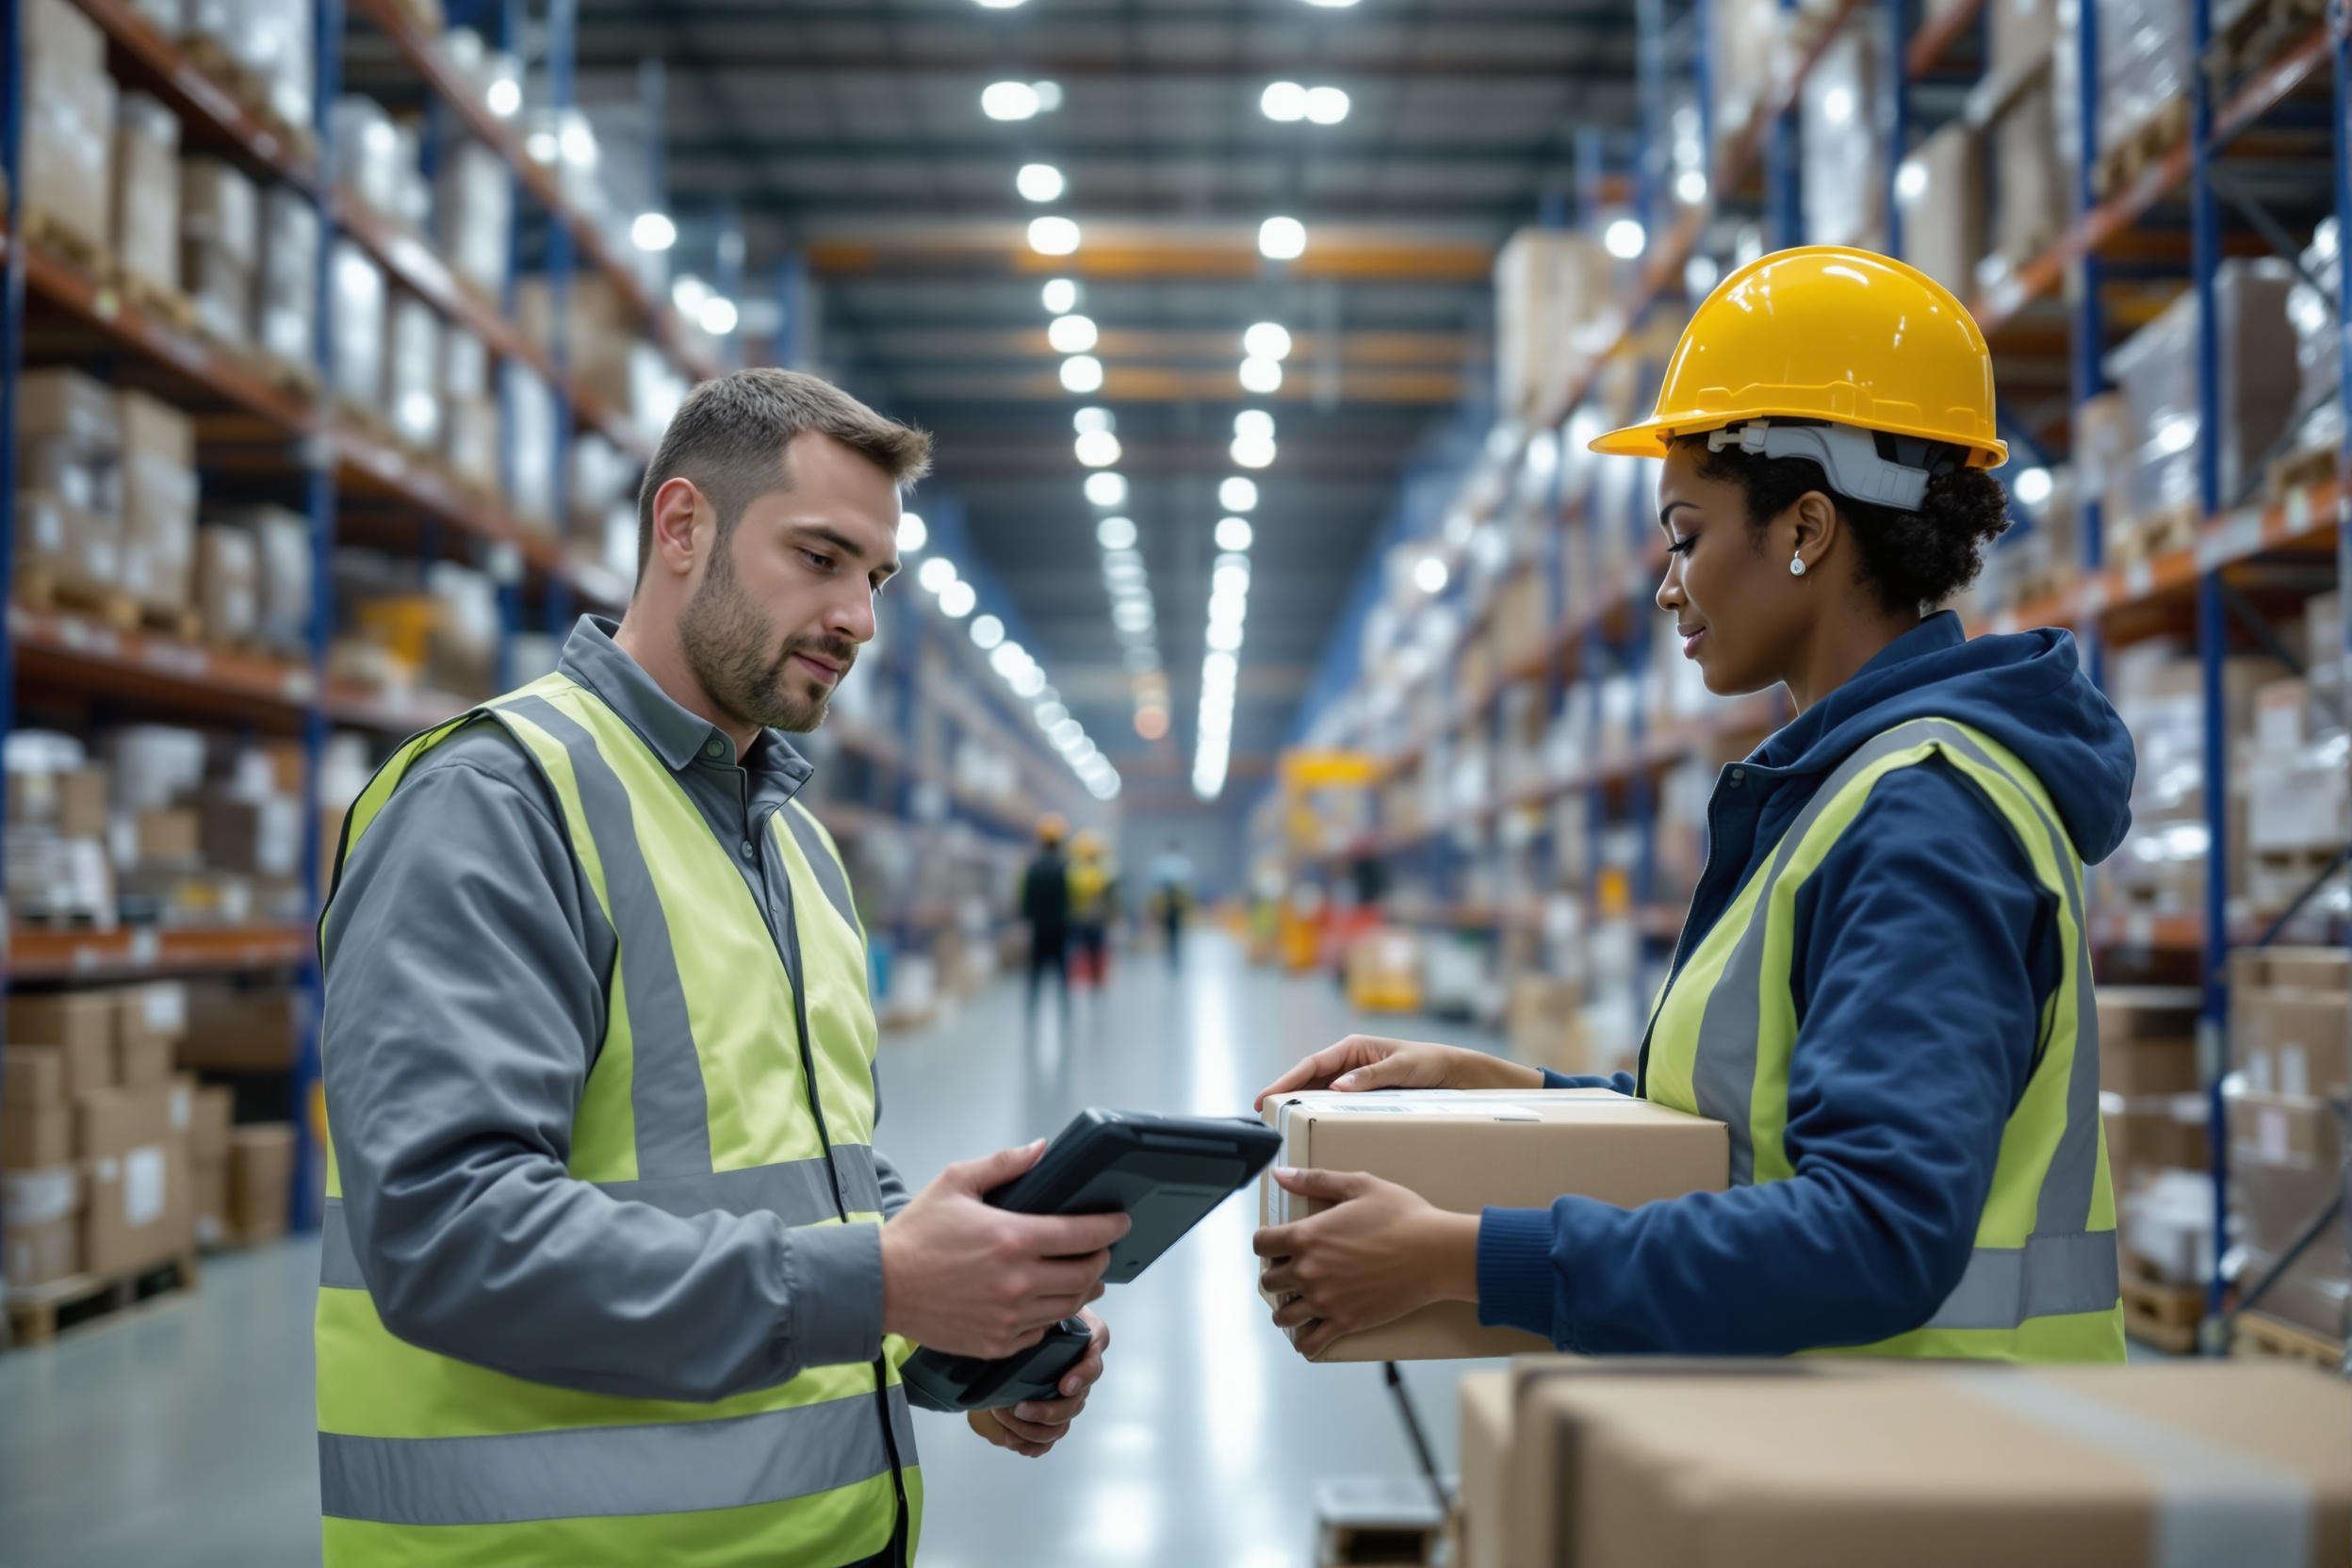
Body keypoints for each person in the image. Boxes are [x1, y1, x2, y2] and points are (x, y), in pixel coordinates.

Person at [1252, 247, 2132, 1364]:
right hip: (1863, 1431)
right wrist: (1512, 1086)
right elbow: (1766, 1128)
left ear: (1806, 529)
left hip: (1947, 1444)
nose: (1669, 585)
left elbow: (1877, 1231)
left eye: (1686, 535)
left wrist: (1459, 1257)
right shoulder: (1846, 789)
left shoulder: (1923, 814)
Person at [317, 369, 1130, 1568]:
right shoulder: (495, 804)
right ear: (682, 527)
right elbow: (448, 1233)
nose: (858, 617)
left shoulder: (794, 842)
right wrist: (882, 1282)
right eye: (821, 557)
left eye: (876, 578)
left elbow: (806, 1179)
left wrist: (962, 1325)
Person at [1022, 814, 1072, 1010]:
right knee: (1062, 976)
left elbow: (1026, 904)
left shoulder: (1032, 869)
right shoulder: (1066, 869)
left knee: (1035, 976)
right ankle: (1065, 1013)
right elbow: (1072, 902)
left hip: (1039, 930)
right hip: (1060, 930)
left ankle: (1031, 1012)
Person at [1065, 829, 1115, 988]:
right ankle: (1095, 980)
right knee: (1094, 952)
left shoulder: (1072, 871)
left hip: (1075, 919)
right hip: (1093, 920)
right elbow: (1103, 899)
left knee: (1074, 951)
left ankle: (1074, 979)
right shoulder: (1099, 872)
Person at [1149, 839, 1193, 964]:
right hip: (1169, 899)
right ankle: (1171, 953)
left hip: (1174, 900)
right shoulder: (1178, 863)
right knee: (1170, 929)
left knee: (1173, 929)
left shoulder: (1174, 863)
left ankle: (1173, 953)